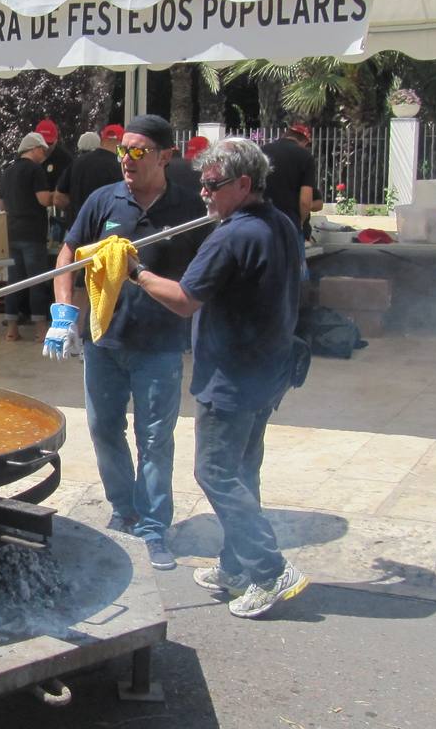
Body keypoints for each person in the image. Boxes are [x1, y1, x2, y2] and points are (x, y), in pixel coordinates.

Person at [130, 136, 309, 618]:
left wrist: (135, 273)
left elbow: (185, 299)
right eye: (202, 184)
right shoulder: (283, 224)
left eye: (212, 185)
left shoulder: (231, 236)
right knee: (244, 472)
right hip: (267, 373)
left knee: (216, 472)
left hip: (232, 378)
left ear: (244, 184)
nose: (204, 194)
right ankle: (235, 564)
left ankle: (270, 571)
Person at [45, 114, 210, 572]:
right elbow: (68, 254)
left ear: (165, 156)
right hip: (103, 339)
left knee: (154, 438)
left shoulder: (187, 209)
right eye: (123, 151)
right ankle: (124, 509)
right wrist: (63, 313)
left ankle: (155, 529)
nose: (127, 160)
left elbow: (209, 269)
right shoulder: (104, 200)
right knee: (102, 429)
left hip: (159, 344)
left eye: (138, 151)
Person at [0, 131, 54, 341]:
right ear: (34, 149)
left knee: (14, 281)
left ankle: (12, 329)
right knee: (37, 281)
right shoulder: (35, 171)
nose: (44, 154)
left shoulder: (7, 171)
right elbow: (43, 200)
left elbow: (1, 204)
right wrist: (57, 197)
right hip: (32, 233)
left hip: (11, 232)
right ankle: (40, 331)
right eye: (43, 150)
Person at [260, 122, 316, 236]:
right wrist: (301, 222)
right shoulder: (305, 156)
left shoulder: (262, 151)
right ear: (305, 141)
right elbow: (305, 201)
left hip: (261, 219)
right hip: (290, 221)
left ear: (285, 134)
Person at [34, 117, 72, 193]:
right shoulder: (27, 157)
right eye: (42, 143)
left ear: (56, 140)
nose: (46, 147)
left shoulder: (65, 159)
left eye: (49, 143)